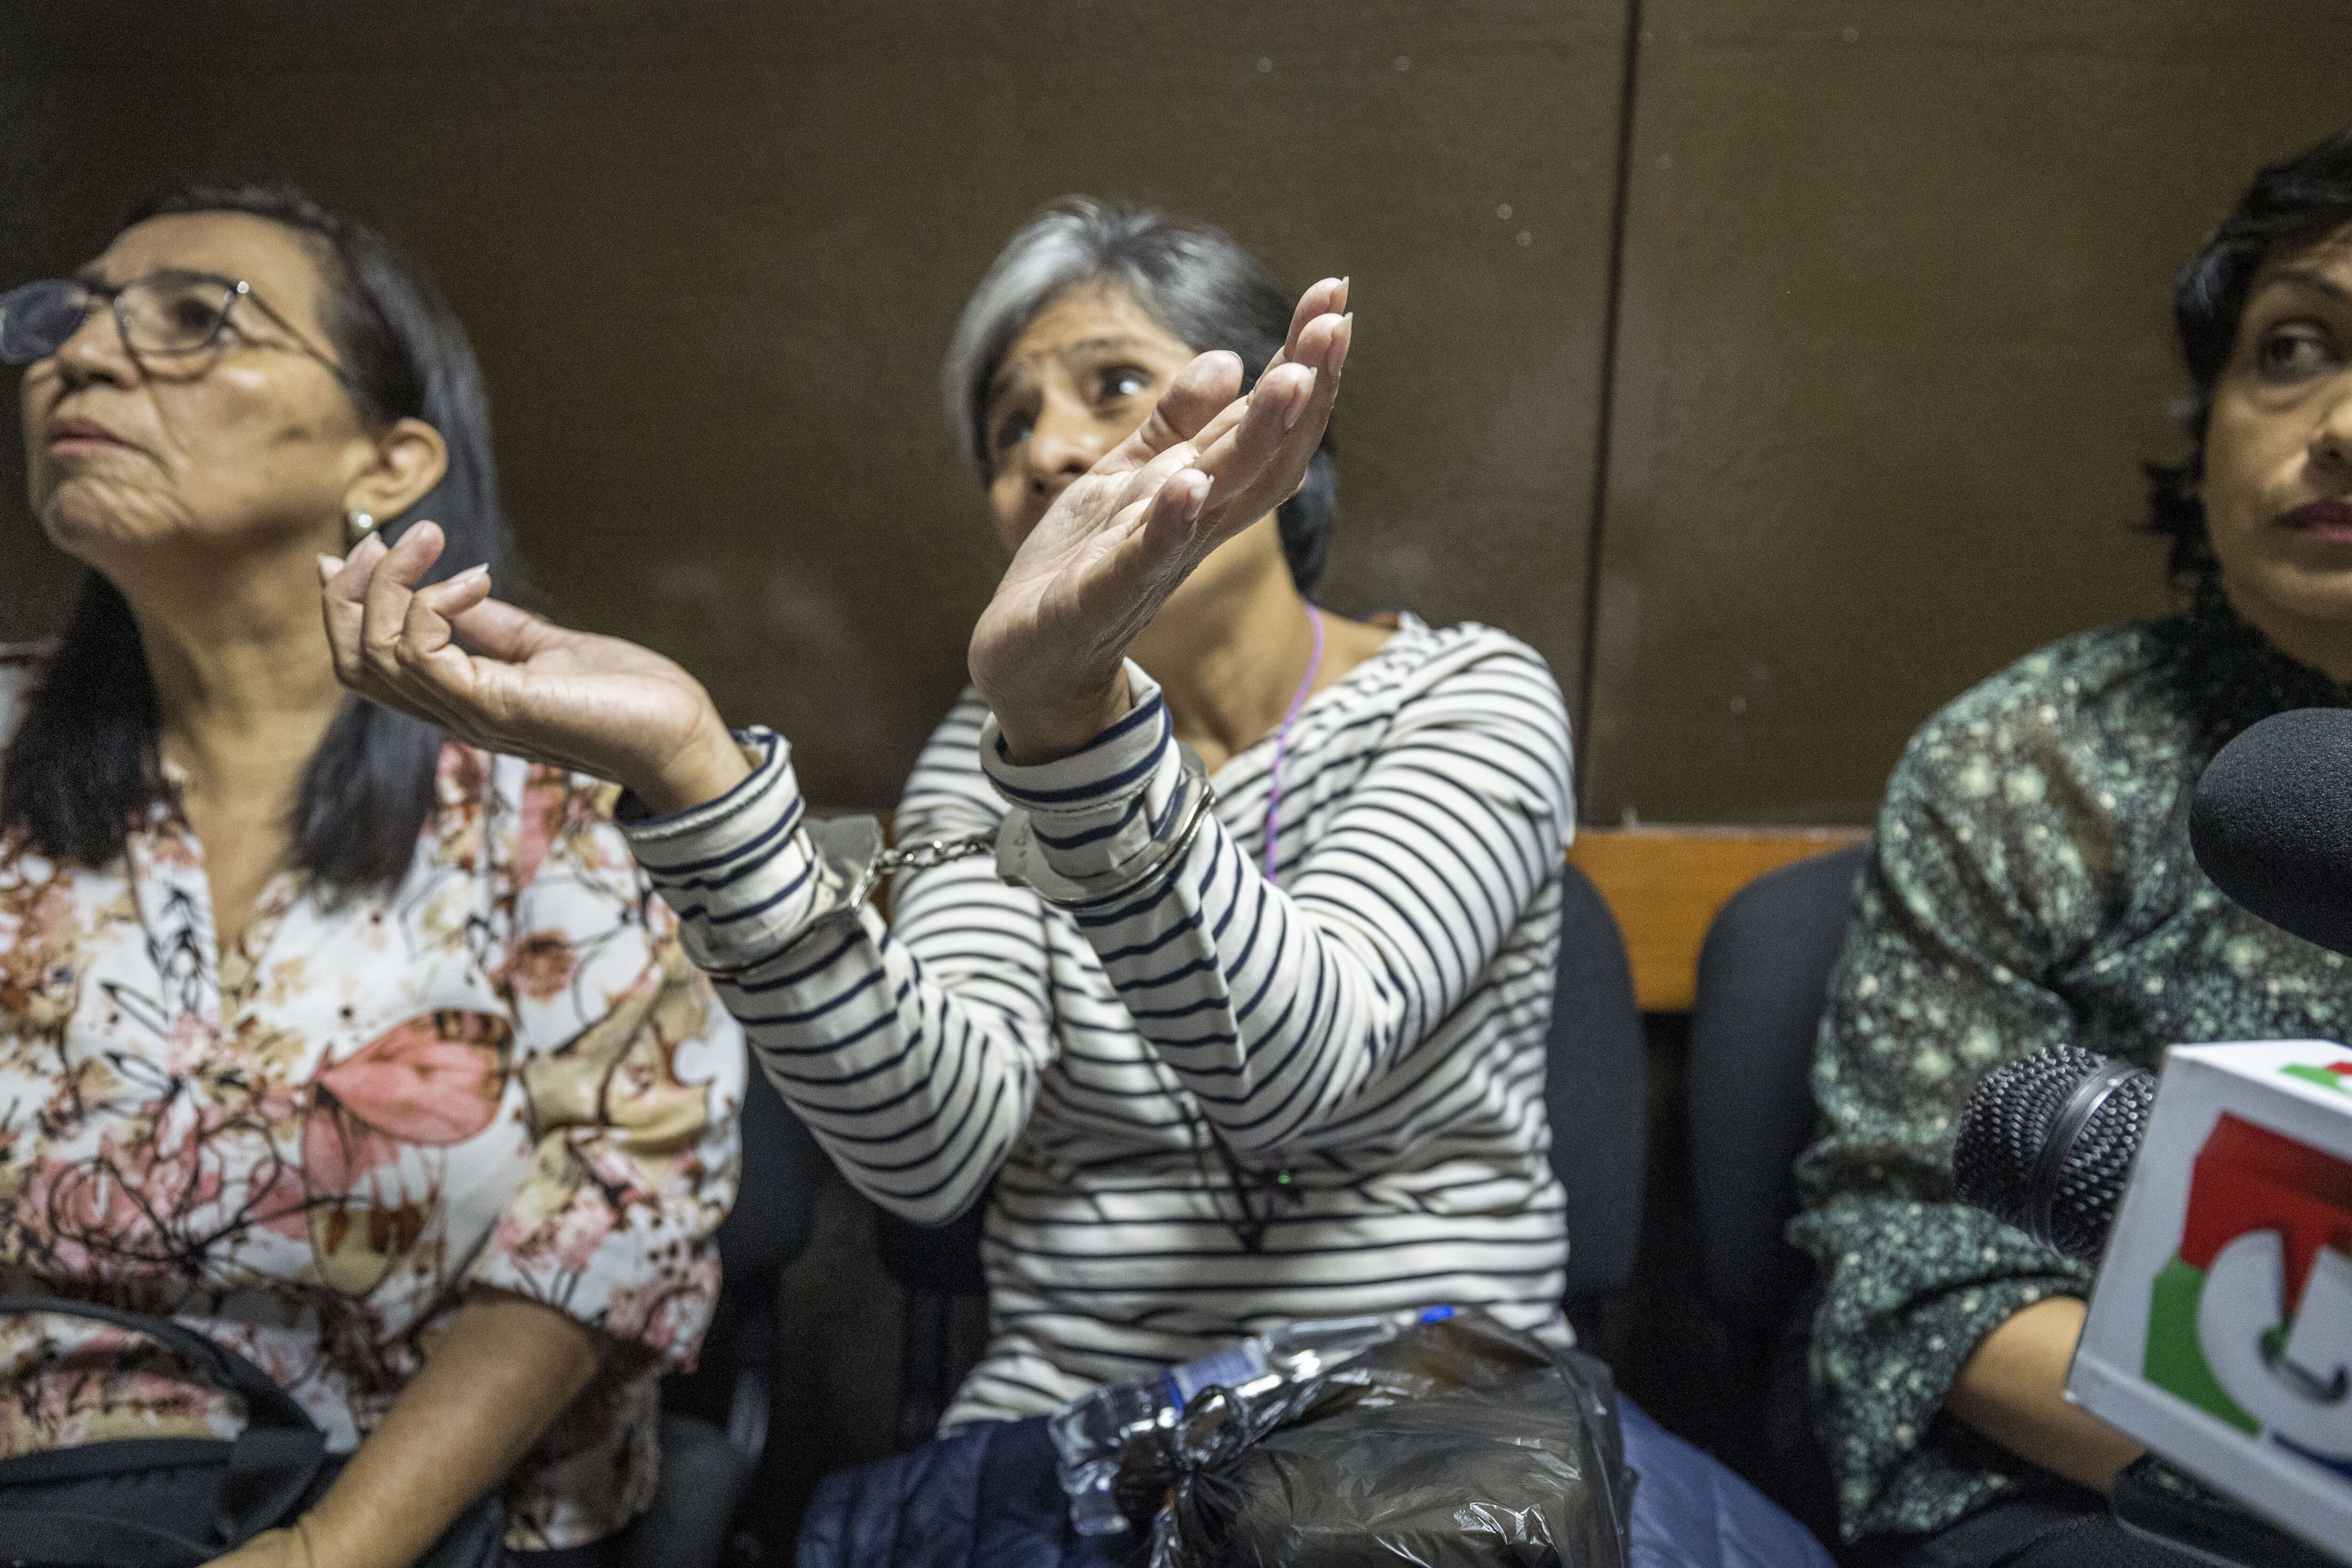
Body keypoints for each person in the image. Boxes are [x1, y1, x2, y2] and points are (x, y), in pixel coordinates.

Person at [326, 199, 1833, 1566]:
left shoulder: (1467, 701)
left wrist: (1072, 728)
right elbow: (925, 1148)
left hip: (1446, 1440)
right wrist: (696, 774)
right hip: (1081, 1453)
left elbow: (1295, 1075)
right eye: (1006, 430)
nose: (1046, 451)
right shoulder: (979, 761)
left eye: (1111, 387)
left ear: (1273, 431)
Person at [0, 183, 745, 1567]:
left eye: (189, 321)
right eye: (68, 316)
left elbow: (616, 1216)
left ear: (391, 460)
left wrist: (321, 1556)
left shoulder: (554, 781)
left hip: (419, 1516)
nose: (80, 358)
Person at [1792, 125, 2352, 1567]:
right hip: (2092, 1491)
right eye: (2292, 349)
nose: (2341, 424)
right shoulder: (2034, 760)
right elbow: (1916, 1267)